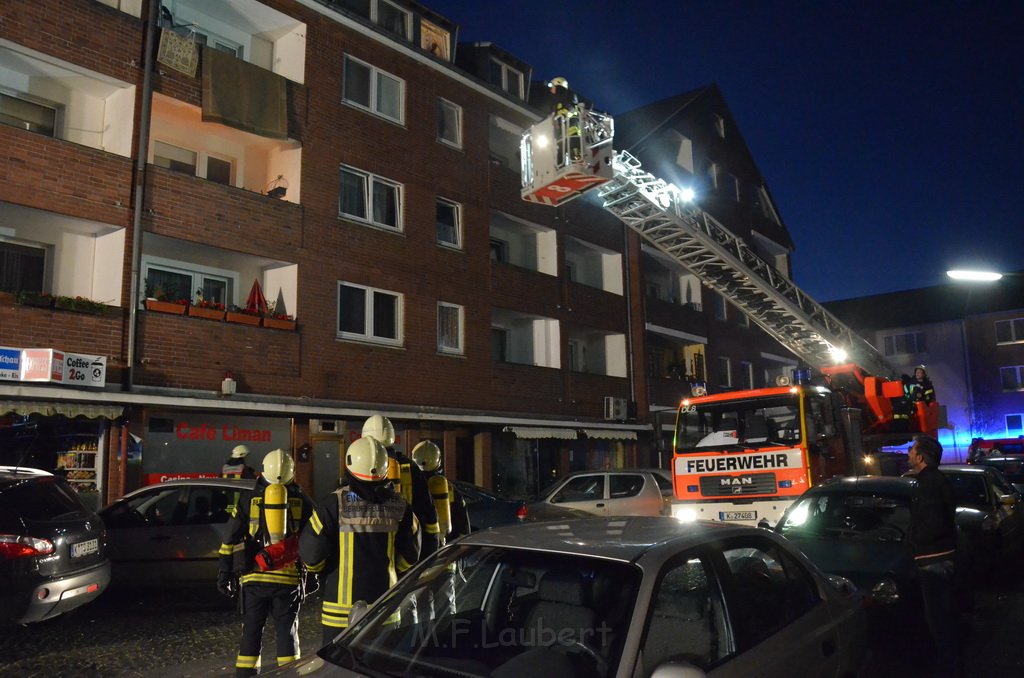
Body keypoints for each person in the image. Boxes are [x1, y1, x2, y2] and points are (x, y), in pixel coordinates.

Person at [299, 436, 420, 645]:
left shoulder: (333, 504)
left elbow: (311, 556)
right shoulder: (400, 505)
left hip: (340, 612)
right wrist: (391, 568)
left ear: (349, 463)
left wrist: (327, 568)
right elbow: (411, 556)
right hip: (385, 608)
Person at [217, 449, 317, 677]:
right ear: (291, 473)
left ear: (263, 471)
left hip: (254, 578)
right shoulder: (303, 501)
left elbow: (229, 539)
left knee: (251, 631)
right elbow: (314, 543)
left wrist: (224, 573)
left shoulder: (247, 499)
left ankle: (246, 674)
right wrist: (313, 575)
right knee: (287, 633)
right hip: (288, 580)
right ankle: (289, 674)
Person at [905, 434, 963, 677]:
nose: (908, 454)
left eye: (911, 450)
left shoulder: (928, 484)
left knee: (938, 621)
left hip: (933, 560)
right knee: (944, 617)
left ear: (920, 457)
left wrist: (914, 541)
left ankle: (949, 668)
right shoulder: (936, 481)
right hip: (941, 556)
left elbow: (933, 522)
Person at [361, 415, 440, 558]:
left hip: (371, 544)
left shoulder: (361, 466)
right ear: (391, 438)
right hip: (408, 544)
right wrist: (431, 550)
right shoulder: (410, 467)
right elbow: (428, 509)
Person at [411, 440, 471, 544]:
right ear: (438, 461)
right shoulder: (450, 490)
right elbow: (464, 529)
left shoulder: (409, 486)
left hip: (417, 548)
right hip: (443, 549)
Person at [547, 76, 582, 164]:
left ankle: (577, 160)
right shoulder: (556, 103)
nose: (551, 89)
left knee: (574, 149)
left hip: (572, 129)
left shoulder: (570, 95)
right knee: (560, 152)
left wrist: (560, 115)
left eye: (553, 87)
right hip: (561, 133)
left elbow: (571, 108)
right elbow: (554, 115)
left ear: (559, 86)